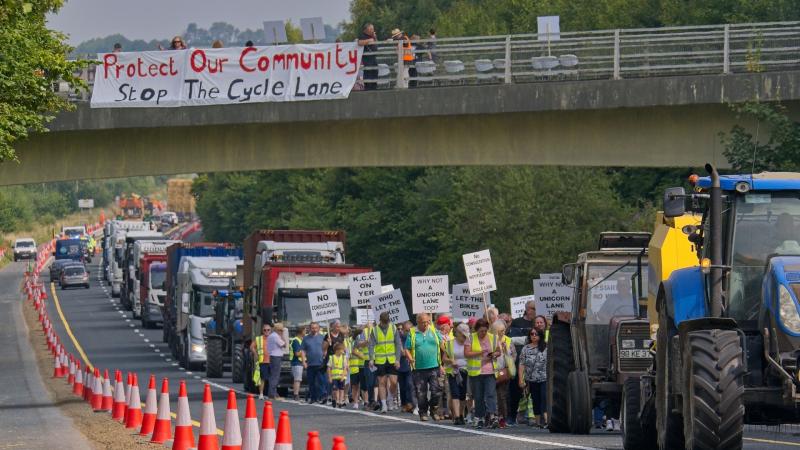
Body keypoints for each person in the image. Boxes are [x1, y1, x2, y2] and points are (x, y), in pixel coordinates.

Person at [406, 313, 443, 421]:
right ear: (417, 322)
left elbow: (443, 346)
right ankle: (423, 412)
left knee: (436, 391)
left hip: (434, 367)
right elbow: (407, 349)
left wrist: (443, 364)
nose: (426, 324)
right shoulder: (412, 333)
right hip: (418, 368)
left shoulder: (434, 331)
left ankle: (434, 410)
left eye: (427, 322)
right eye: (423, 322)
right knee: (421, 393)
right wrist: (410, 358)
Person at [464, 318, 499, 428]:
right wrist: (480, 352)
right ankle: (480, 417)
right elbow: (467, 353)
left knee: (490, 394)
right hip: (476, 372)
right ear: (476, 330)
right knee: (478, 396)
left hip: (490, 370)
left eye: (485, 330)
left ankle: (493, 416)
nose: (483, 333)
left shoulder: (493, 338)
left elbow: (499, 351)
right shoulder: (470, 338)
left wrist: (494, 354)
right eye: (481, 331)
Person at [369, 311, 402, 413]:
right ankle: (384, 404)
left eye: (387, 322)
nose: (385, 324)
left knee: (393, 382)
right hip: (380, 360)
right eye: (384, 322)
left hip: (392, 359)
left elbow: (398, 344)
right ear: (380, 321)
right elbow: (371, 345)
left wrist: (397, 359)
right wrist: (371, 358)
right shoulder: (374, 330)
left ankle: (390, 398)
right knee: (382, 383)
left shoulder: (393, 328)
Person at [518, 329, 547, 427]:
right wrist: (521, 379)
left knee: (544, 398)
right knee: (535, 399)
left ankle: (546, 420)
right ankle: (538, 422)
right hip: (531, 379)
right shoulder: (525, 348)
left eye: (536, 334)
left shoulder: (546, 347)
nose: (534, 336)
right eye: (532, 334)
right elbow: (521, 364)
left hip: (544, 378)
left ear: (541, 335)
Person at [443, 322, 470, 425]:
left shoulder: (469, 343)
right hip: (453, 372)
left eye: (465, 336)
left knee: (463, 395)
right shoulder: (450, 343)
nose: (464, 338)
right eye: (463, 335)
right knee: (455, 394)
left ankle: (462, 414)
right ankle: (457, 416)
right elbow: (444, 358)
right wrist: (451, 361)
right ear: (457, 333)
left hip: (466, 371)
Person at [492, 320, 516, 428]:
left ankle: (503, 417)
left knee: (502, 396)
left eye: (503, 330)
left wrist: (506, 350)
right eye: (499, 331)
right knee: (491, 395)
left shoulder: (508, 340)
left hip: (504, 372)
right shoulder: (490, 341)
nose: (501, 333)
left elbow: (514, 356)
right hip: (491, 372)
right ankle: (493, 416)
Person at [301, 322, 326, 403]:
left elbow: (325, 349)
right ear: (310, 328)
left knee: (321, 381)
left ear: (318, 328)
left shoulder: (322, 337)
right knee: (311, 382)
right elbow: (303, 351)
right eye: (312, 328)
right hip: (310, 364)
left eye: (316, 328)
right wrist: (304, 361)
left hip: (320, 363)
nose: (314, 329)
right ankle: (313, 398)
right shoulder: (306, 338)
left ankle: (322, 396)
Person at [322, 320, 345, 404]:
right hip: (331, 358)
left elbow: (343, 346)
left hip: (339, 359)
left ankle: (337, 398)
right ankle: (329, 396)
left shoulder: (341, 335)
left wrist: (344, 353)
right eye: (337, 326)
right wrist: (328, 343)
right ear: (333, 327)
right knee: (330, 379)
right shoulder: (327, 335)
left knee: (339, 380)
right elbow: (323, 348)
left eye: (339, 326)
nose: (338, 328)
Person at [436, 315, 454, 418]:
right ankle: (439, 411)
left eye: (445, 325)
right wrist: (439, 365)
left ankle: (449, 411)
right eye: (441, 325)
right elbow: (435, 353)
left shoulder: (452, 337)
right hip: (440, 366)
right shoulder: (436, 337)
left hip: (450, 366)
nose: (443, 327)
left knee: (449, 390)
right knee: (439, 389)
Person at [397, 321, 416, 412]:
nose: (408, 332)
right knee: (402, 386)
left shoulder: (414, 337)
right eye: (406, 330)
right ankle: (404, 404)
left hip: (410, 366)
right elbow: (402, 353)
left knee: (410, 385)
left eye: (409, 330)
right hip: (401, 366)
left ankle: (410, 403)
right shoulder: (399, 338)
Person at [250, 324, 271, 400]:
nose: (266, 331)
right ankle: (261, 394)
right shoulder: (259, 339)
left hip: (272, 361)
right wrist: (255, 354)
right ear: (262, 331)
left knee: (272, 378)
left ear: (270, 331)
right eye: (265, 330)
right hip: (263, 361)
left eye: (268, 330)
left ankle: (271, 393)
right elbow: (252, 347)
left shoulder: (273, 338)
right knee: (262, 379)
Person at [348, 325, 367, 409]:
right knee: (355, 385)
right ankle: (355, 402)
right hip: (354, 366)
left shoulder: (366, 338)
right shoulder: (352, 341)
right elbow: (351, 351)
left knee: (364, 385)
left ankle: (366, 401)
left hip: (362, 365)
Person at [357, 23, 378, 90]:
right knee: (368, 73)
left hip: (373, 57)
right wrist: (369, 40)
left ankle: (374, 87)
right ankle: (368, 88)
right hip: (367, 58)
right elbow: (359, 42)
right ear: (366, 29)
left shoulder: (372, 36)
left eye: (373, 29)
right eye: (371, 29)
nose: (373, 30)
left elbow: (376, 43)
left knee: (375, 72)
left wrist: (374, 37)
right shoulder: (363, 36)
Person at [328, 342, 348, 408]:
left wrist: (343, 376)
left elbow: (345, 368)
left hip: (342, 377)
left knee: (341, 389)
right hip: (334, 377)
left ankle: (340, 401)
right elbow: (329, 368)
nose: (343, 351)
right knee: (335, 390)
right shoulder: (332, 357)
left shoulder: (343, 358)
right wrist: (330, 377)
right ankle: (335, 399)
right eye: (342, 350)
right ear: (337, 350)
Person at [289, 326, 306, 401]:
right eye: (305, 331)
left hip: (299, 362)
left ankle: (296, 394)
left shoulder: (300, 340)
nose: (306, 332)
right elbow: (297, 353)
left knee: (298, 379)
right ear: (301, 331)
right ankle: (296, 395)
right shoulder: (296, 341)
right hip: (296, 362)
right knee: (297, 379)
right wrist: (306, 352)